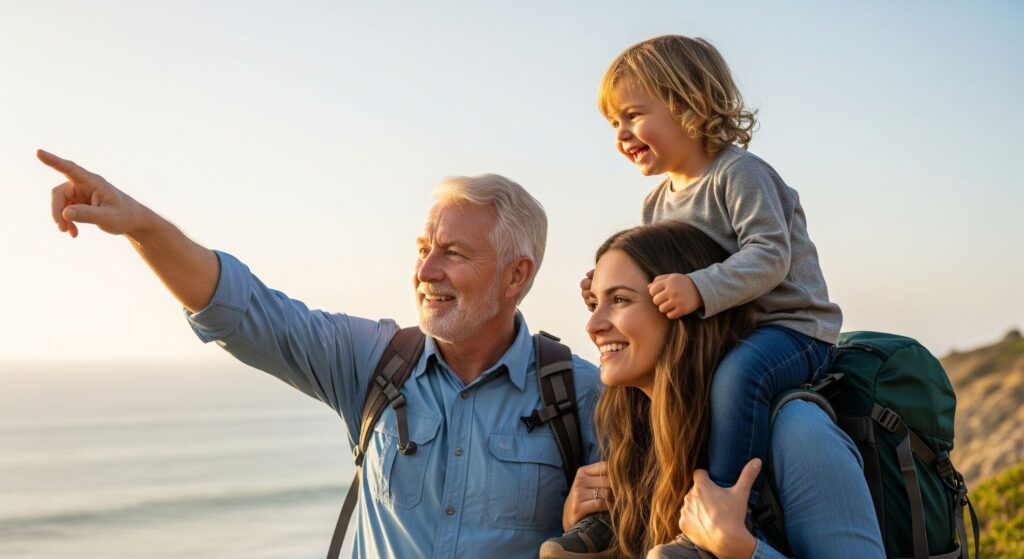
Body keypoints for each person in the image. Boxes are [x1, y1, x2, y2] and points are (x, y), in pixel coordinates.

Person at [38, 149, 602, 559]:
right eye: (423, 249)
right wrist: (141, 226)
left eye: (452, 253)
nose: (426, 271)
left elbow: (634, 528)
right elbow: (242, 308)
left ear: (515, 276)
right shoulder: (374, 361)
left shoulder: (582, 394)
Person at [554, 34, 845, 555]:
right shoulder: (656, 202)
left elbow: (769, 255)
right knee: (639, 397)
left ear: (688, 104)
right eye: (613, 123)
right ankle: (617, 516)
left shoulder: (739, 174)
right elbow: (654, 272)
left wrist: (698, 287)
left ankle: (728, 514)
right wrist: (604, 289)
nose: (621, 133)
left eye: (632, 115)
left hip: (791, 329)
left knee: (737, 379)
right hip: (725, 331)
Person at [560, 222, 884, 558]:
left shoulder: (796, 433)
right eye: (594, 303)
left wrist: (741, 550)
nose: (593, 325)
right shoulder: (635, 440)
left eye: (621, 299)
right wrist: (584, 526)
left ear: (689, 309)